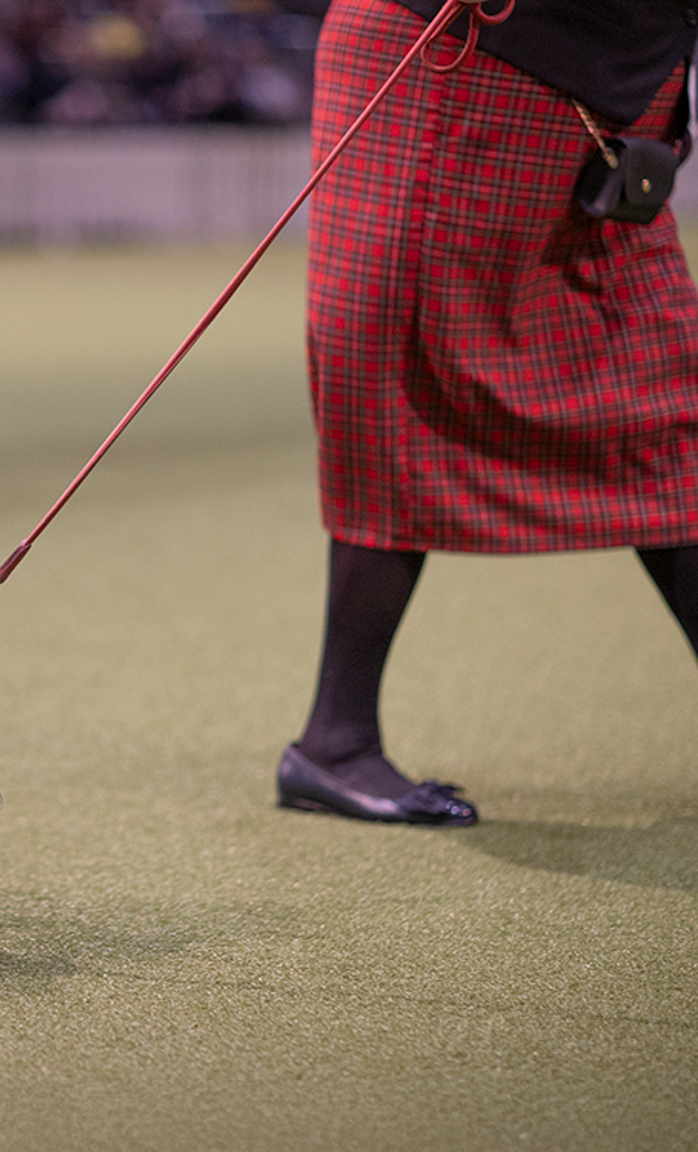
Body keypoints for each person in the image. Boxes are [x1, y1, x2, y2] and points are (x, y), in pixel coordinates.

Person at [278, 0, 698, 825]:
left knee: (664, 397)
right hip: (454, 64)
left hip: (612, 88)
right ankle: (337, 739)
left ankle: (336, 737)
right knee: (396, 386)